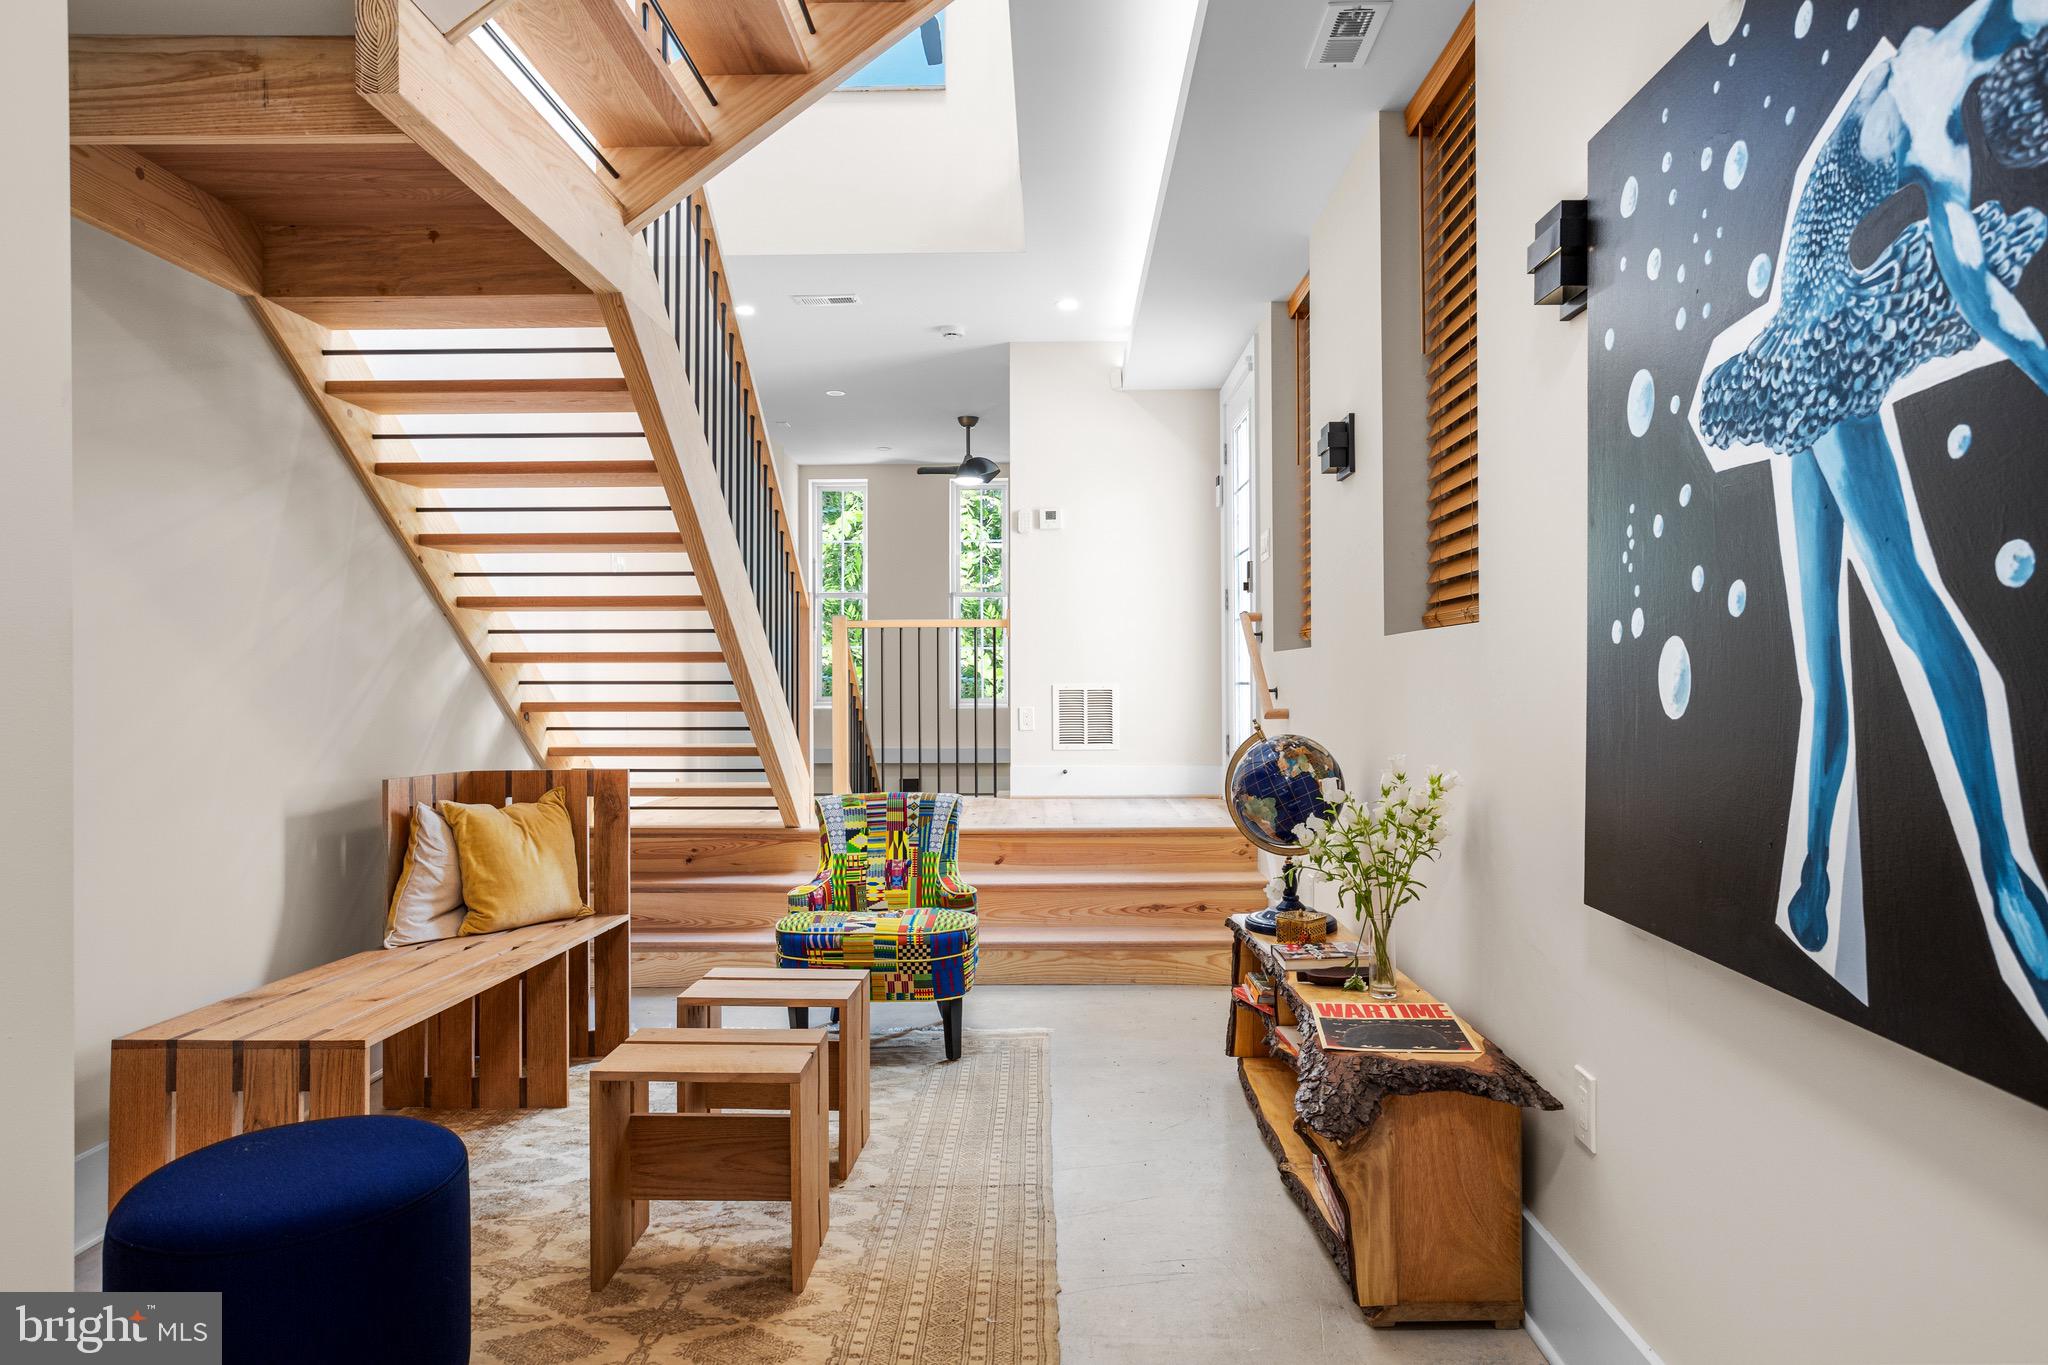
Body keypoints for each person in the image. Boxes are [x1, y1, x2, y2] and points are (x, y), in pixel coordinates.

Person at [1697, 0, 2048, 1034]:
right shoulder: (1940, 92)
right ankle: (1971, 883)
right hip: (1825, 347)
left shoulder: (1941, 88)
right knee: (1885, 633)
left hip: (1823, 346)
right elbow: (1975, 293)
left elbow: (1973, 287)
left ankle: (1855, 880)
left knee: (1858, 645)